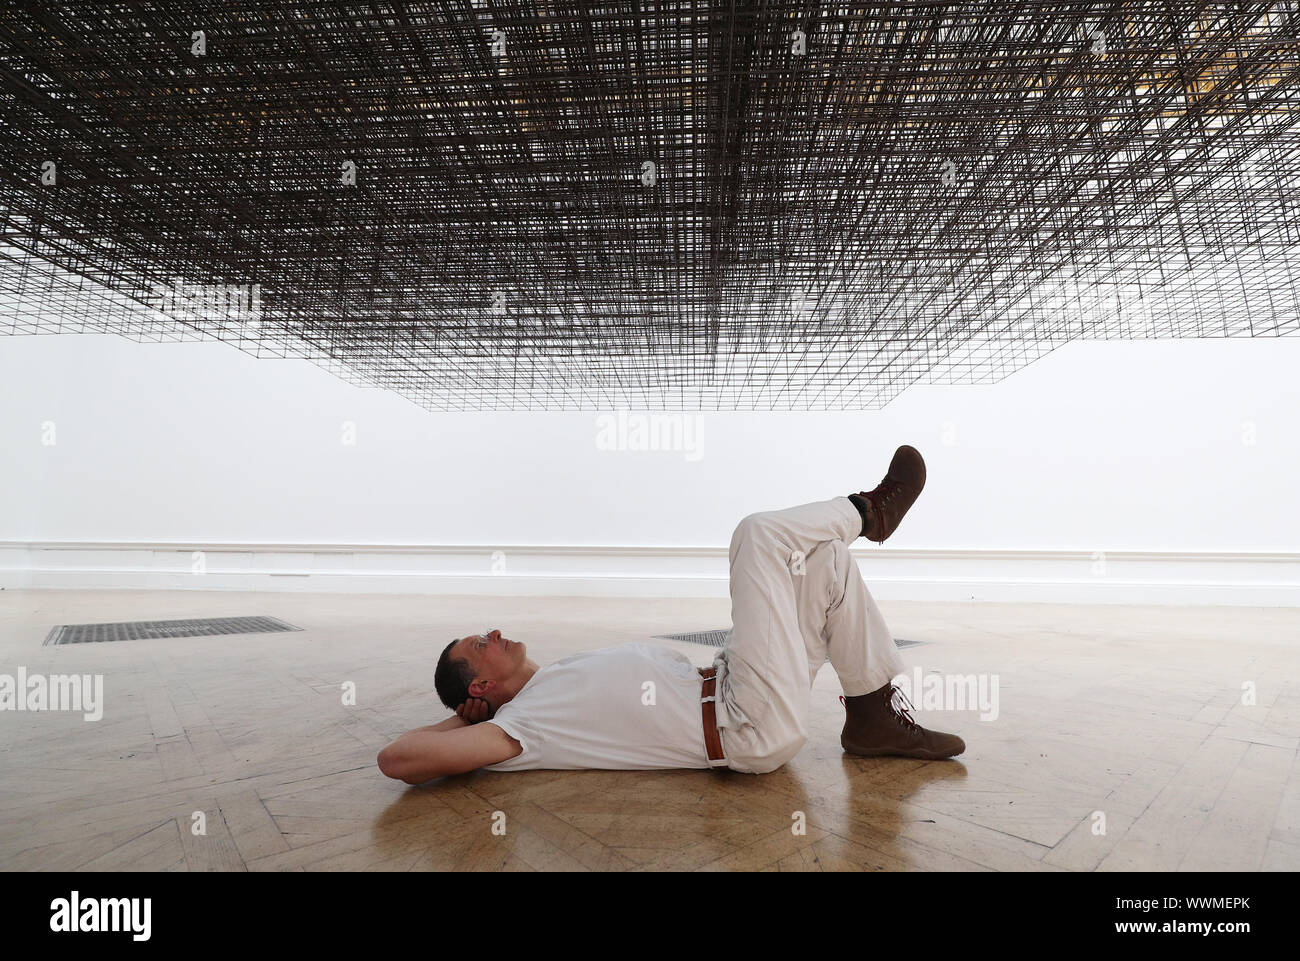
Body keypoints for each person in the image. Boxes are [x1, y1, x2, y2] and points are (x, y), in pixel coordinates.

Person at [378, 445, 965, 784]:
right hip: (745, 725)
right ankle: (871, 512)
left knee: (824, 560)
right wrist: (471, 719)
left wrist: (476, 710)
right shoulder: (521, 729)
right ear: (480, 683)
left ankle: (871, 717)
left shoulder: (550, 681)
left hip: (737, 682)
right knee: (758, 536)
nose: (495, 632)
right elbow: (397, 758)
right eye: (481, 642)